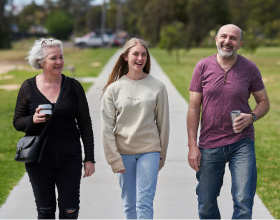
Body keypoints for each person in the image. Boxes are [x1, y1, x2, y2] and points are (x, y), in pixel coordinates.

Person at [187, 24, 270, 219]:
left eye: (233, 38)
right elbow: (193, 108)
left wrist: (252, 116)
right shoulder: (202, 67)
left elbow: (264, 102)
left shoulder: (249, 68)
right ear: (216, 40)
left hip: (242, 143)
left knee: (243, 201)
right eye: (223, 37)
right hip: (209, 143)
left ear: (240, 44)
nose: (227, 41)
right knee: (206, 204)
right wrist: (192, 145)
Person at [13, 38, 95, 219]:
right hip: (39, 160)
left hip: (70, 159)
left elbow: (85, 124)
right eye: (53, 58)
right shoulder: (28, 87)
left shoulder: (74, 87)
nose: (59, 62)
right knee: (45, 212)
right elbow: (17, 122)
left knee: (70, 212)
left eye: (61, 57)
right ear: (41, 62)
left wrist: (89, 159)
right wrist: (33, 120)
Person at [101, 38, 170, 219]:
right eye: (136, 54)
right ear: (125, 57)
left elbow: (163, 124)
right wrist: (113, 159)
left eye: (144, 55)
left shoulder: (158, 87)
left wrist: (161, 156)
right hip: (123, 153)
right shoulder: (114, 89)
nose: (140, 58)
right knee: (129, 205)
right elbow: (107, 128)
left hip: (150, 152)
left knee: (144, 203)